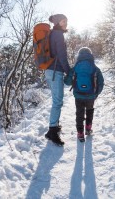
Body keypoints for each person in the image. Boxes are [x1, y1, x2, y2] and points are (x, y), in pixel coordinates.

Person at [64, 47, 104, 142]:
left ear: (79, 55)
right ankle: (88, 129)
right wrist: (96, 94)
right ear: (90, 55)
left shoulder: (75, 68)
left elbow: (67, 82)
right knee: (90, 111)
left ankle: (80, 133)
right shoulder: (95, 68)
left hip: (78, 95)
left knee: (79, 113)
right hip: (90, 95)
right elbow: (101, 83)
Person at [44, 14, 71, 146]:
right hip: (55, 71)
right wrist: (69, 71)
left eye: (66, 21)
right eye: (63, 21)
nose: (65, 23)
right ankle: (52, 131)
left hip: (50, 71)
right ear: (57, 22)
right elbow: (61, 55)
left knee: (56, 100)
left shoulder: (53, 33)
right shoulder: (58, 34)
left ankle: (54, 126)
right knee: (57, 101)